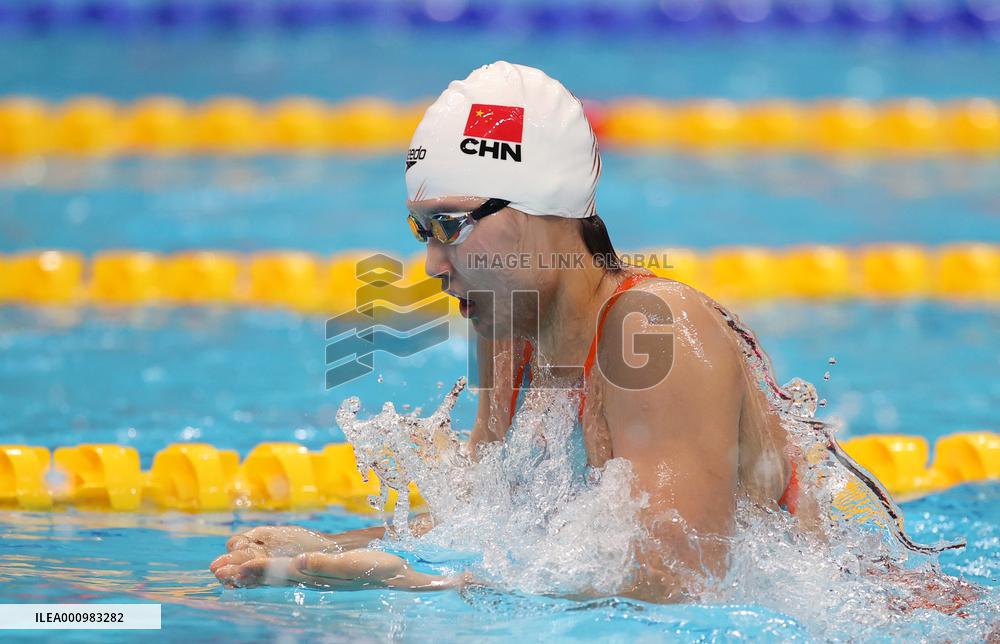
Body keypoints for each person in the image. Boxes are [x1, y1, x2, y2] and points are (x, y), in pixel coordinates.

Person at [209, 62, 847, 601]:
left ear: (545, 211)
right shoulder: (509, 337)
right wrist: (327, 550)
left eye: (451, 226)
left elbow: (678, 588)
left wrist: (421, 588)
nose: (431, 263)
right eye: (421, 231)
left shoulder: (653, 332)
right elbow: (497, 530)